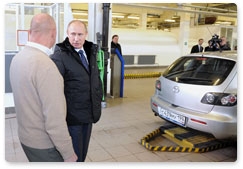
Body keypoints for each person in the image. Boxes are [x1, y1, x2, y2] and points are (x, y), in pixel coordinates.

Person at [10, 13, 77, 162]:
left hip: (25, 138)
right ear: (53, 34)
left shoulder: (17, 59)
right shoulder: (46, 67)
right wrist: (68, 152)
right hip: (44, 146)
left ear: (29, 32)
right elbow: (54, 120)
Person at [50, 20, 102, 162]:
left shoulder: (90, 52)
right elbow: (53, 90)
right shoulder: (60, 56)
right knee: (74, 156)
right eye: (73, 34)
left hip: (88, 114)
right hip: (72, 118)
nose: (76, 38)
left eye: (80, 34)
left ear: (86, 35)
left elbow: (95, 79)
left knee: (83, 153)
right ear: (67, 34)